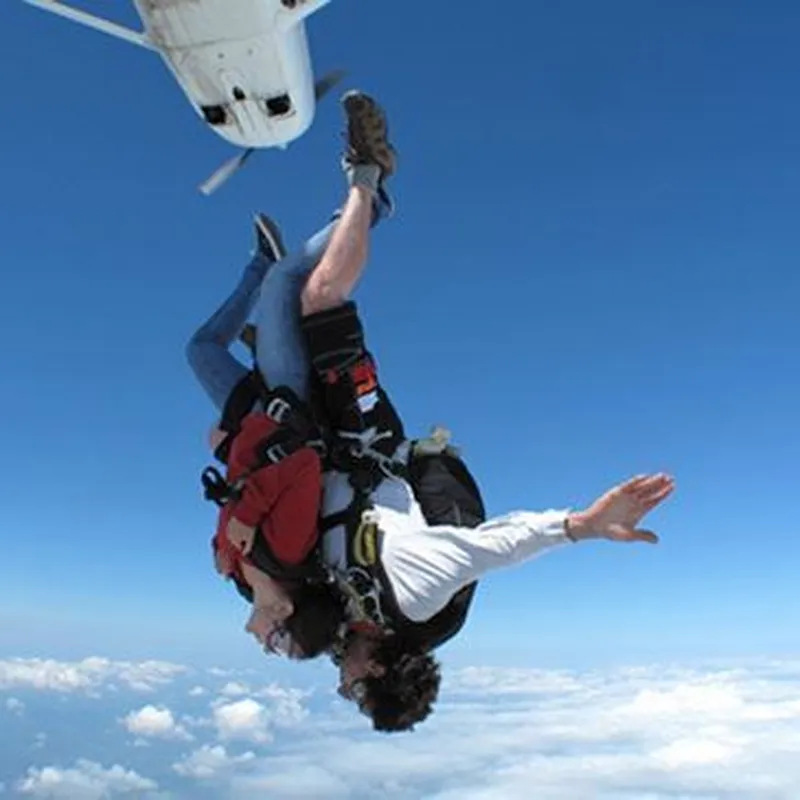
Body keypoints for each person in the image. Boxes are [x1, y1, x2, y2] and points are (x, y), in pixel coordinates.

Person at [185, 90, 398, 660]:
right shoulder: (287, 550)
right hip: (286, 402)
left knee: (201, 349)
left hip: (248, 423)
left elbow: (238, 489)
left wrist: (229, 457)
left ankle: (258, 265)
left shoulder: (237, 576)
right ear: (285, 612)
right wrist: (247, 518)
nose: (260, 641)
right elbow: (301, 464)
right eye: (275, 641)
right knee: (291, 286)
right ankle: (369, 200)